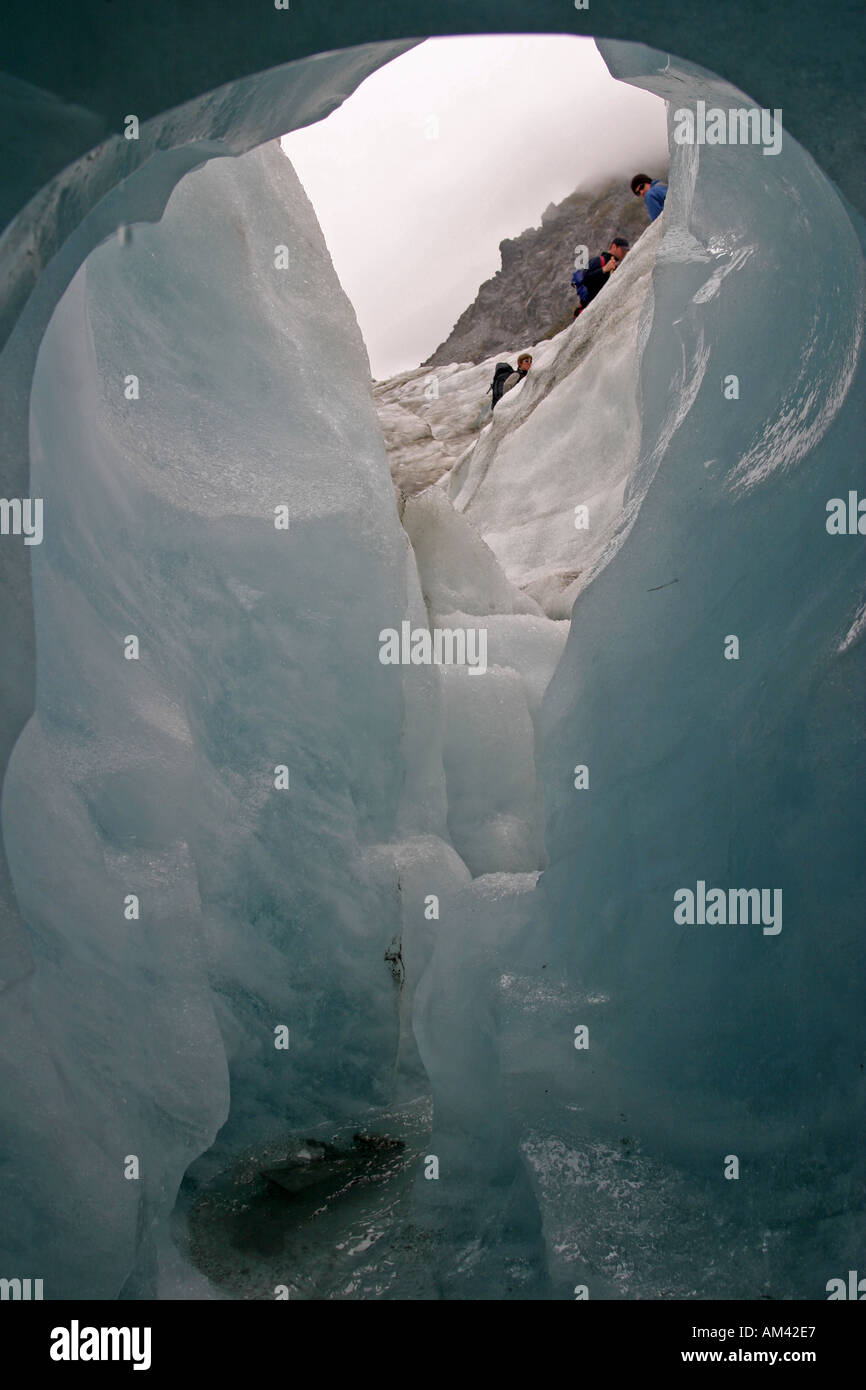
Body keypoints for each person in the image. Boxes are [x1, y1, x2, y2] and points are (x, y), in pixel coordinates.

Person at [572, 239, 629, 318]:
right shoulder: (598, 261)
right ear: (614, 247)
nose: (624, 253)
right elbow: (585, 279)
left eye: (626, 251)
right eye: (622, 250)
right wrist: (604, 269)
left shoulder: (615, 268)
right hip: (587, 311)